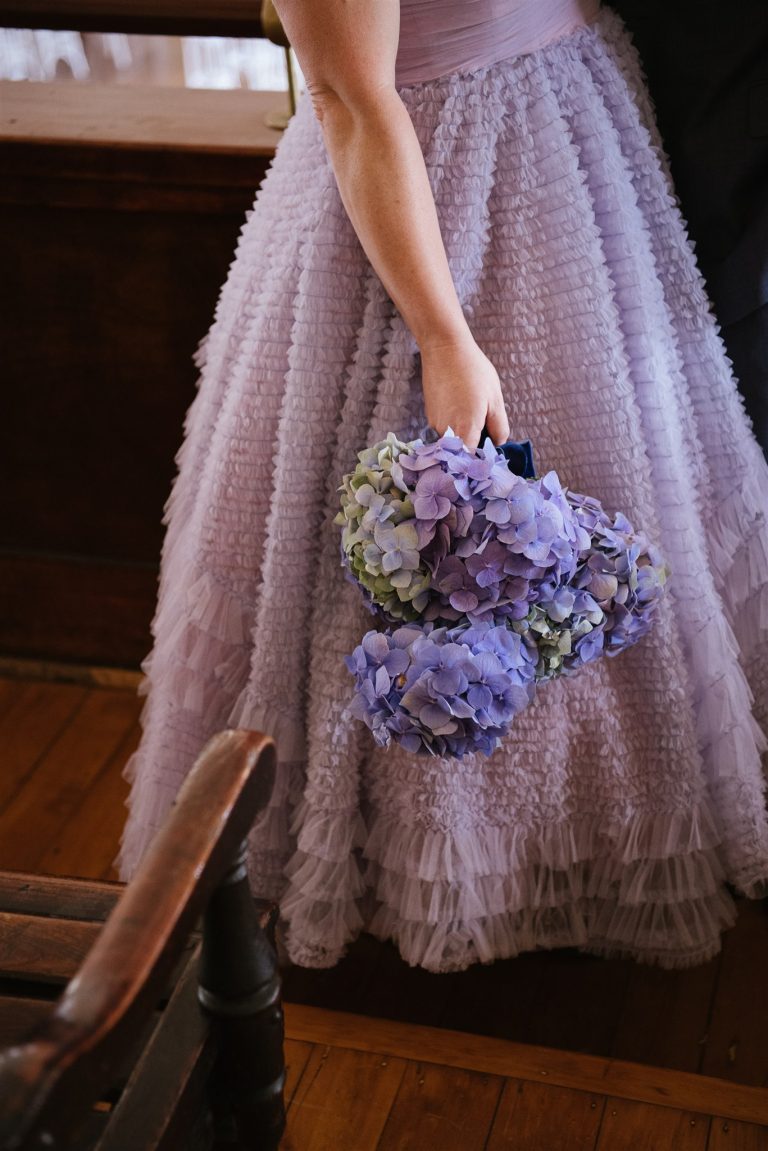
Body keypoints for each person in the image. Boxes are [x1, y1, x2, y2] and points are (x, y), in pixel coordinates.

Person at [117, 0, 768, 973]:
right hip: (432, 194)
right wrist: (445, 335)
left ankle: (595, 828)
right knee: (451, 549)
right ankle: (461, 859)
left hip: (574, 150)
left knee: (620, 526)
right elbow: (348, 96)